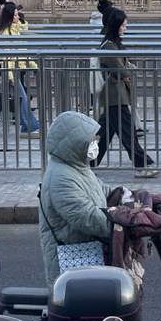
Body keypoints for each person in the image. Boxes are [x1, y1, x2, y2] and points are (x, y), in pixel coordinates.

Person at [39, 110, 115, 285]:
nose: (96, 143)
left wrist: (128, 196)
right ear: (74, 143)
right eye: (92, 140)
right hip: (72, 264)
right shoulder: (61, 178)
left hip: (88, 252)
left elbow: (102, 190)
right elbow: (87, 217)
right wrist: (124, 223)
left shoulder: (77, 166)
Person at [93, 8, 158, 178]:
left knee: (104, 133)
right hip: (115, 94)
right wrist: (127, 73)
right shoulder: (108, 46)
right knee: (127, 131)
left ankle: (87, 163)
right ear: (116, 26)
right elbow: (121, 70)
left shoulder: (111, 44)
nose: (125, 28)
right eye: (123, 25)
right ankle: (142, 164)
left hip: (115, 94)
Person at [0, 2, 39, 136]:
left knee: (5, 100)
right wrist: (9, 75)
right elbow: (5, 57)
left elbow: (21, 50)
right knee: (23, 98)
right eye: (15, 15)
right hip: (10, 70)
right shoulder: (5, 33)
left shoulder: (15, 29)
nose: (18, 17)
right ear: (10, 16)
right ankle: (29, 127)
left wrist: (32, 64)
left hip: (15, 68)